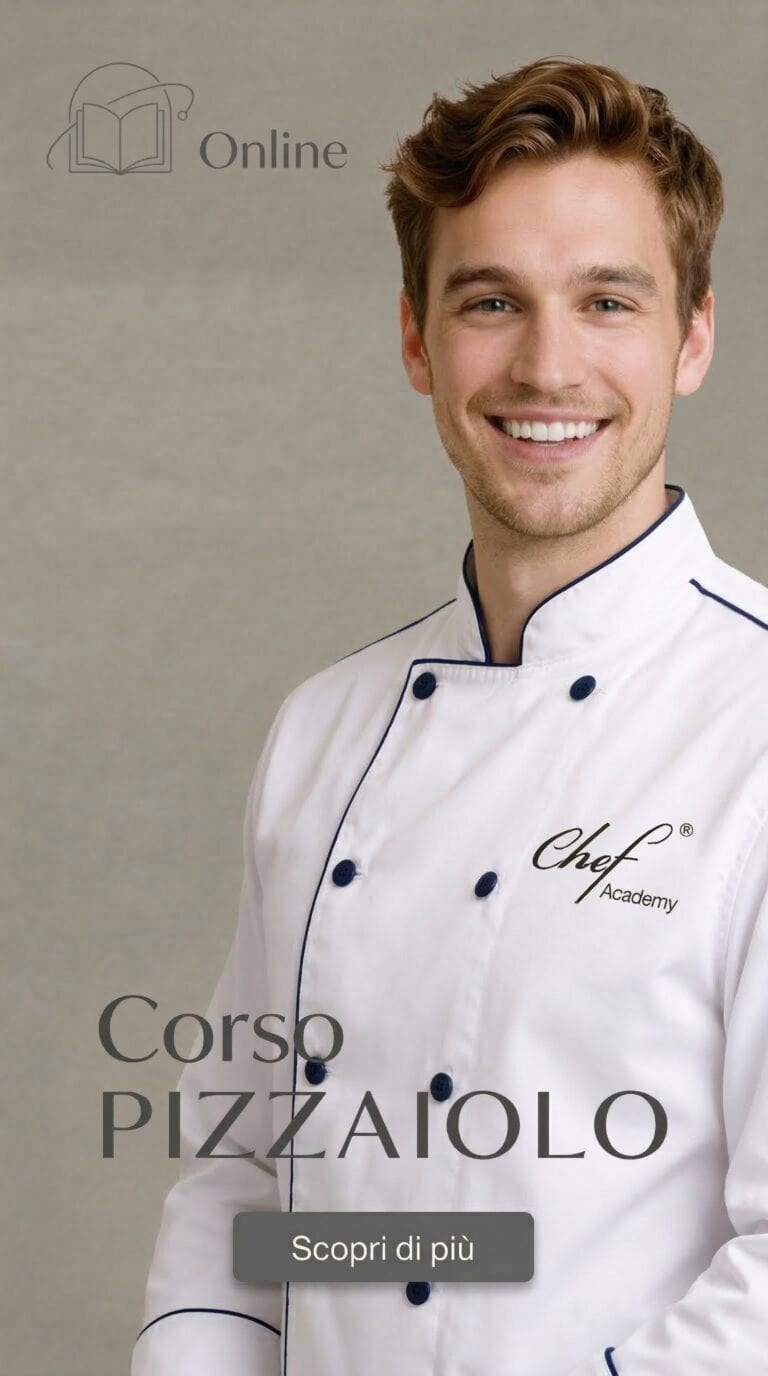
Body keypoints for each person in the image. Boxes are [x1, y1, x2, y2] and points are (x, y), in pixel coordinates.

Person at [130, 55, 768, 1376]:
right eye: (491, 301)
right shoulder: (324, 731)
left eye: (607, 301)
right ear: (419, 341)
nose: (548, 365)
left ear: (694, 336)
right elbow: (250, 1189)